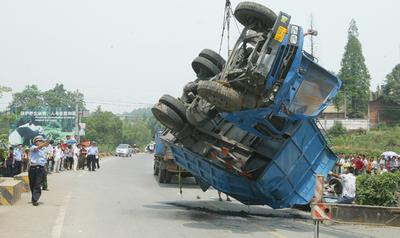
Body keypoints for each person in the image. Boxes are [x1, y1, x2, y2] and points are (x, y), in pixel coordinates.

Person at [29, 136, 50, 206]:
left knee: (37, 184)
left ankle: (35, 200)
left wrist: (47, 142)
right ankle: (33, 197)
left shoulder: (44, 150)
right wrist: (44, 143)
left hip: (40, 169)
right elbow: (37, 148)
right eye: (38, 141)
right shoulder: (33, 147)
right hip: (32, 168)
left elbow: (47, 145)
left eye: (41, 141)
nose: (40, 142)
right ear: (35, 142)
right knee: (32, 184)